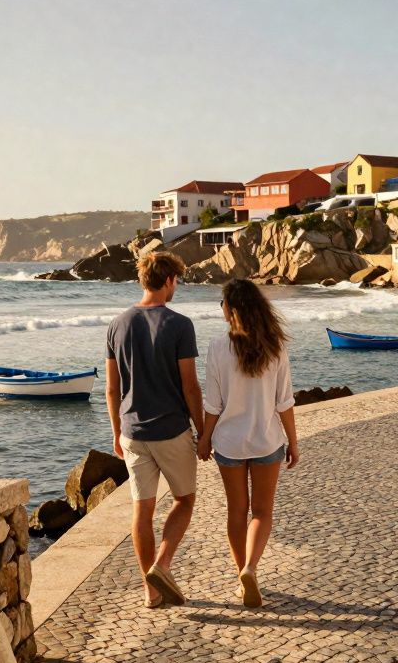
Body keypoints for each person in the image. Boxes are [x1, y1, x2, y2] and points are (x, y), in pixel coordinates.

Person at [105, 251, 204, 609]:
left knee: (141, 511)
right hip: (171, 431)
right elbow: (190, 386)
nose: (176, 287)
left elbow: (113, 389)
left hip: (132, 432)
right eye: (176, 281)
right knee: (185, 500)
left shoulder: (117, 324)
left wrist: (116, 432)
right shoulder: (179, 325)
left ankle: (151, 592)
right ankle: (162, 566)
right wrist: (203, 429)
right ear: (167, 281)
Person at [197, 280, 299, 608]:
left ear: (231, 310)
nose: (221, 308)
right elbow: (284, 402)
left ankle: (242, 574)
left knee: (236, 512)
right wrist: (293, 442)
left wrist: (204, 439)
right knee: (263, 512)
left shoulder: (216, 347)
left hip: (228, 444)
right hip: (267, 441)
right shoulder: (276, 346)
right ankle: (252, 570)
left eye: (222, 303)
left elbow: (212, 405)